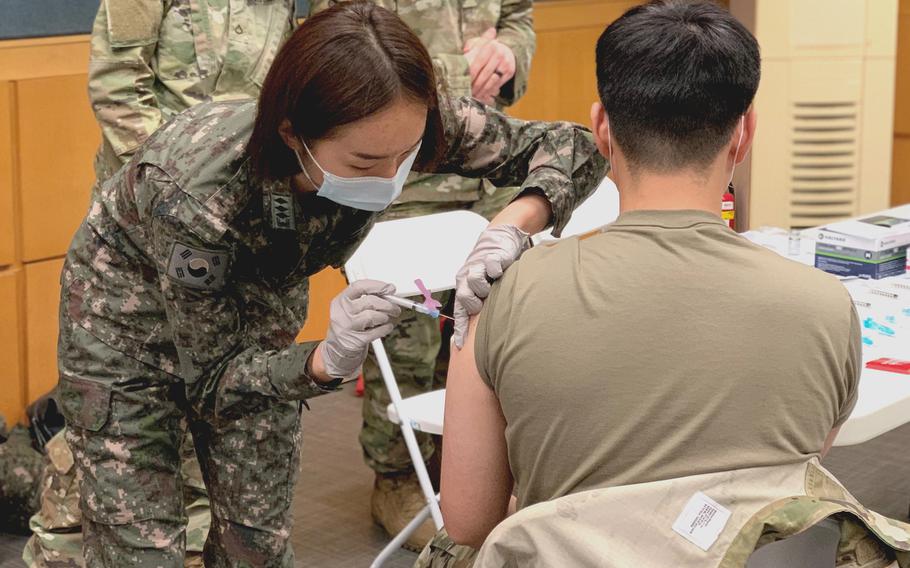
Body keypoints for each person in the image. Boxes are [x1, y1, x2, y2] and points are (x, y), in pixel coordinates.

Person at [53, 1, 605, 565]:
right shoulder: (200, 195)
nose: (392, 179)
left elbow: (575, 147)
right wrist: (323, 361)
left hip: (261, 306)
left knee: (257, 542)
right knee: (142, 546)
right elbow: (212, 386)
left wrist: (511, 227)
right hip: (126, 333)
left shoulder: (405, 117)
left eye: (406, 157)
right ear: (294, 135)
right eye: (366, 163)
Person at [417, 1, 909, 564]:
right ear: (744, 133)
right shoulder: (825, 304)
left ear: (602, 130)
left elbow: (469, 519)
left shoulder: (500, 296)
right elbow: (789, 480)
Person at [25, 2, 297, 565]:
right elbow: (119, 89)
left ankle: (181, 544)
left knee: (207, 395)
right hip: (138, 239)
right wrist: (184, 195)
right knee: (118, 407)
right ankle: (61, 544)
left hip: (233, 237)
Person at [307, 0, 537, 548]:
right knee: (406, 341)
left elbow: (519, 17)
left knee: (482, 334)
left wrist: (509, 54)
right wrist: (461, 72)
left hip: (484, 168)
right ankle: (397, 479)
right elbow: (342, 51)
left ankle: (471, 472)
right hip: (398, 172)